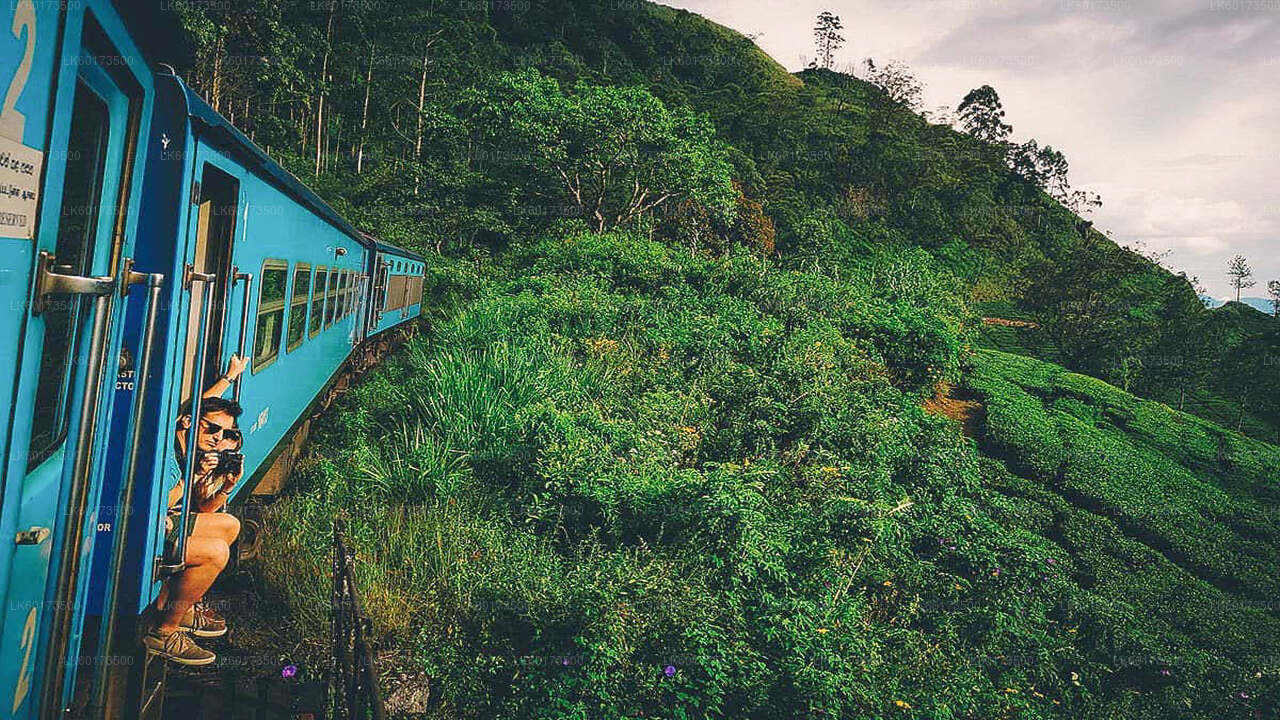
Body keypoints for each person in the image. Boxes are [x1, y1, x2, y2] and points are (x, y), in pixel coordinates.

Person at [142, 358, 248, 665]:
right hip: (148, 527)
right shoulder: (168, 449)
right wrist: (193, 477)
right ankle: (162, 633)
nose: (219, 438)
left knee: (228, 525)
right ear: (188, 422)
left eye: (226, 433)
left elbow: (204, 508)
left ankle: (181, 604)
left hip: (167, 524)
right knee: (216, 553)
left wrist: (226, 487)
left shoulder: (194, 448)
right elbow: (156, 504)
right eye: (213, 428)